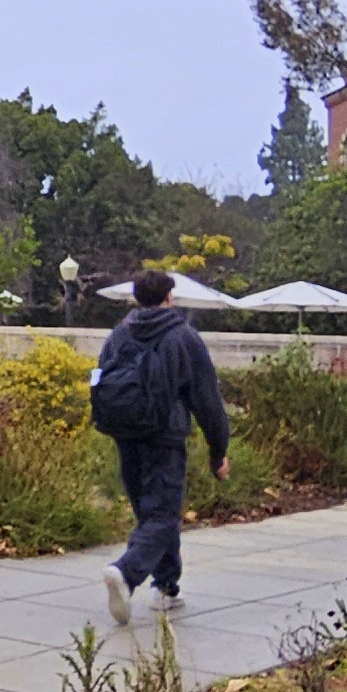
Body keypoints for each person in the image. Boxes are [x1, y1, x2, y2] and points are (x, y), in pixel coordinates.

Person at [87, 268, 228, 625]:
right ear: (169, 298)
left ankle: (166, 587)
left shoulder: (119, 334)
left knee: (152, 514)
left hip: (126, 433)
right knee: (162, 516)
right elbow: (207, 399)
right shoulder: (183, 337)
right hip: (165, 437)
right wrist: (218, 450)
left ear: (136, 298)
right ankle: (126, 573)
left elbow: (101, 377)